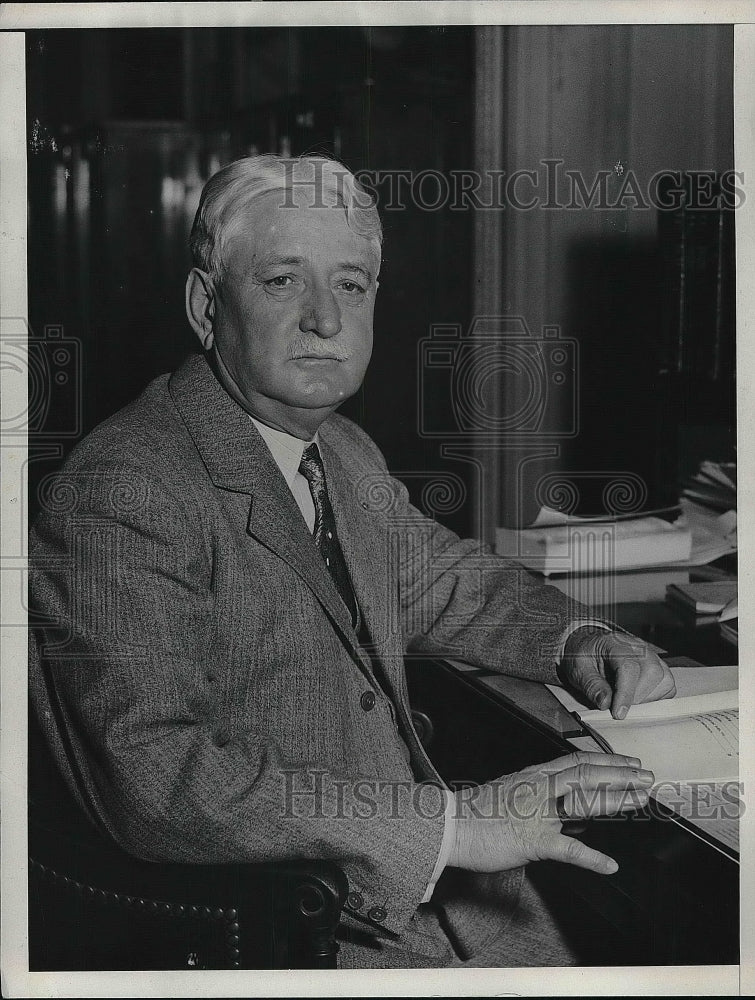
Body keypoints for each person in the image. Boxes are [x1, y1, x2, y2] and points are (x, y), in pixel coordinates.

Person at [29, 154, 675, 969]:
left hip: (429, 893)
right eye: (281, 282)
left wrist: (577, 639)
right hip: (294, 928)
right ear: (205, 306)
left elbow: (439, 579)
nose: (326, 322)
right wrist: (455, 824)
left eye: (351, 286)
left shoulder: (339, 448)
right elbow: (157, 778)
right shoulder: (120, 488)